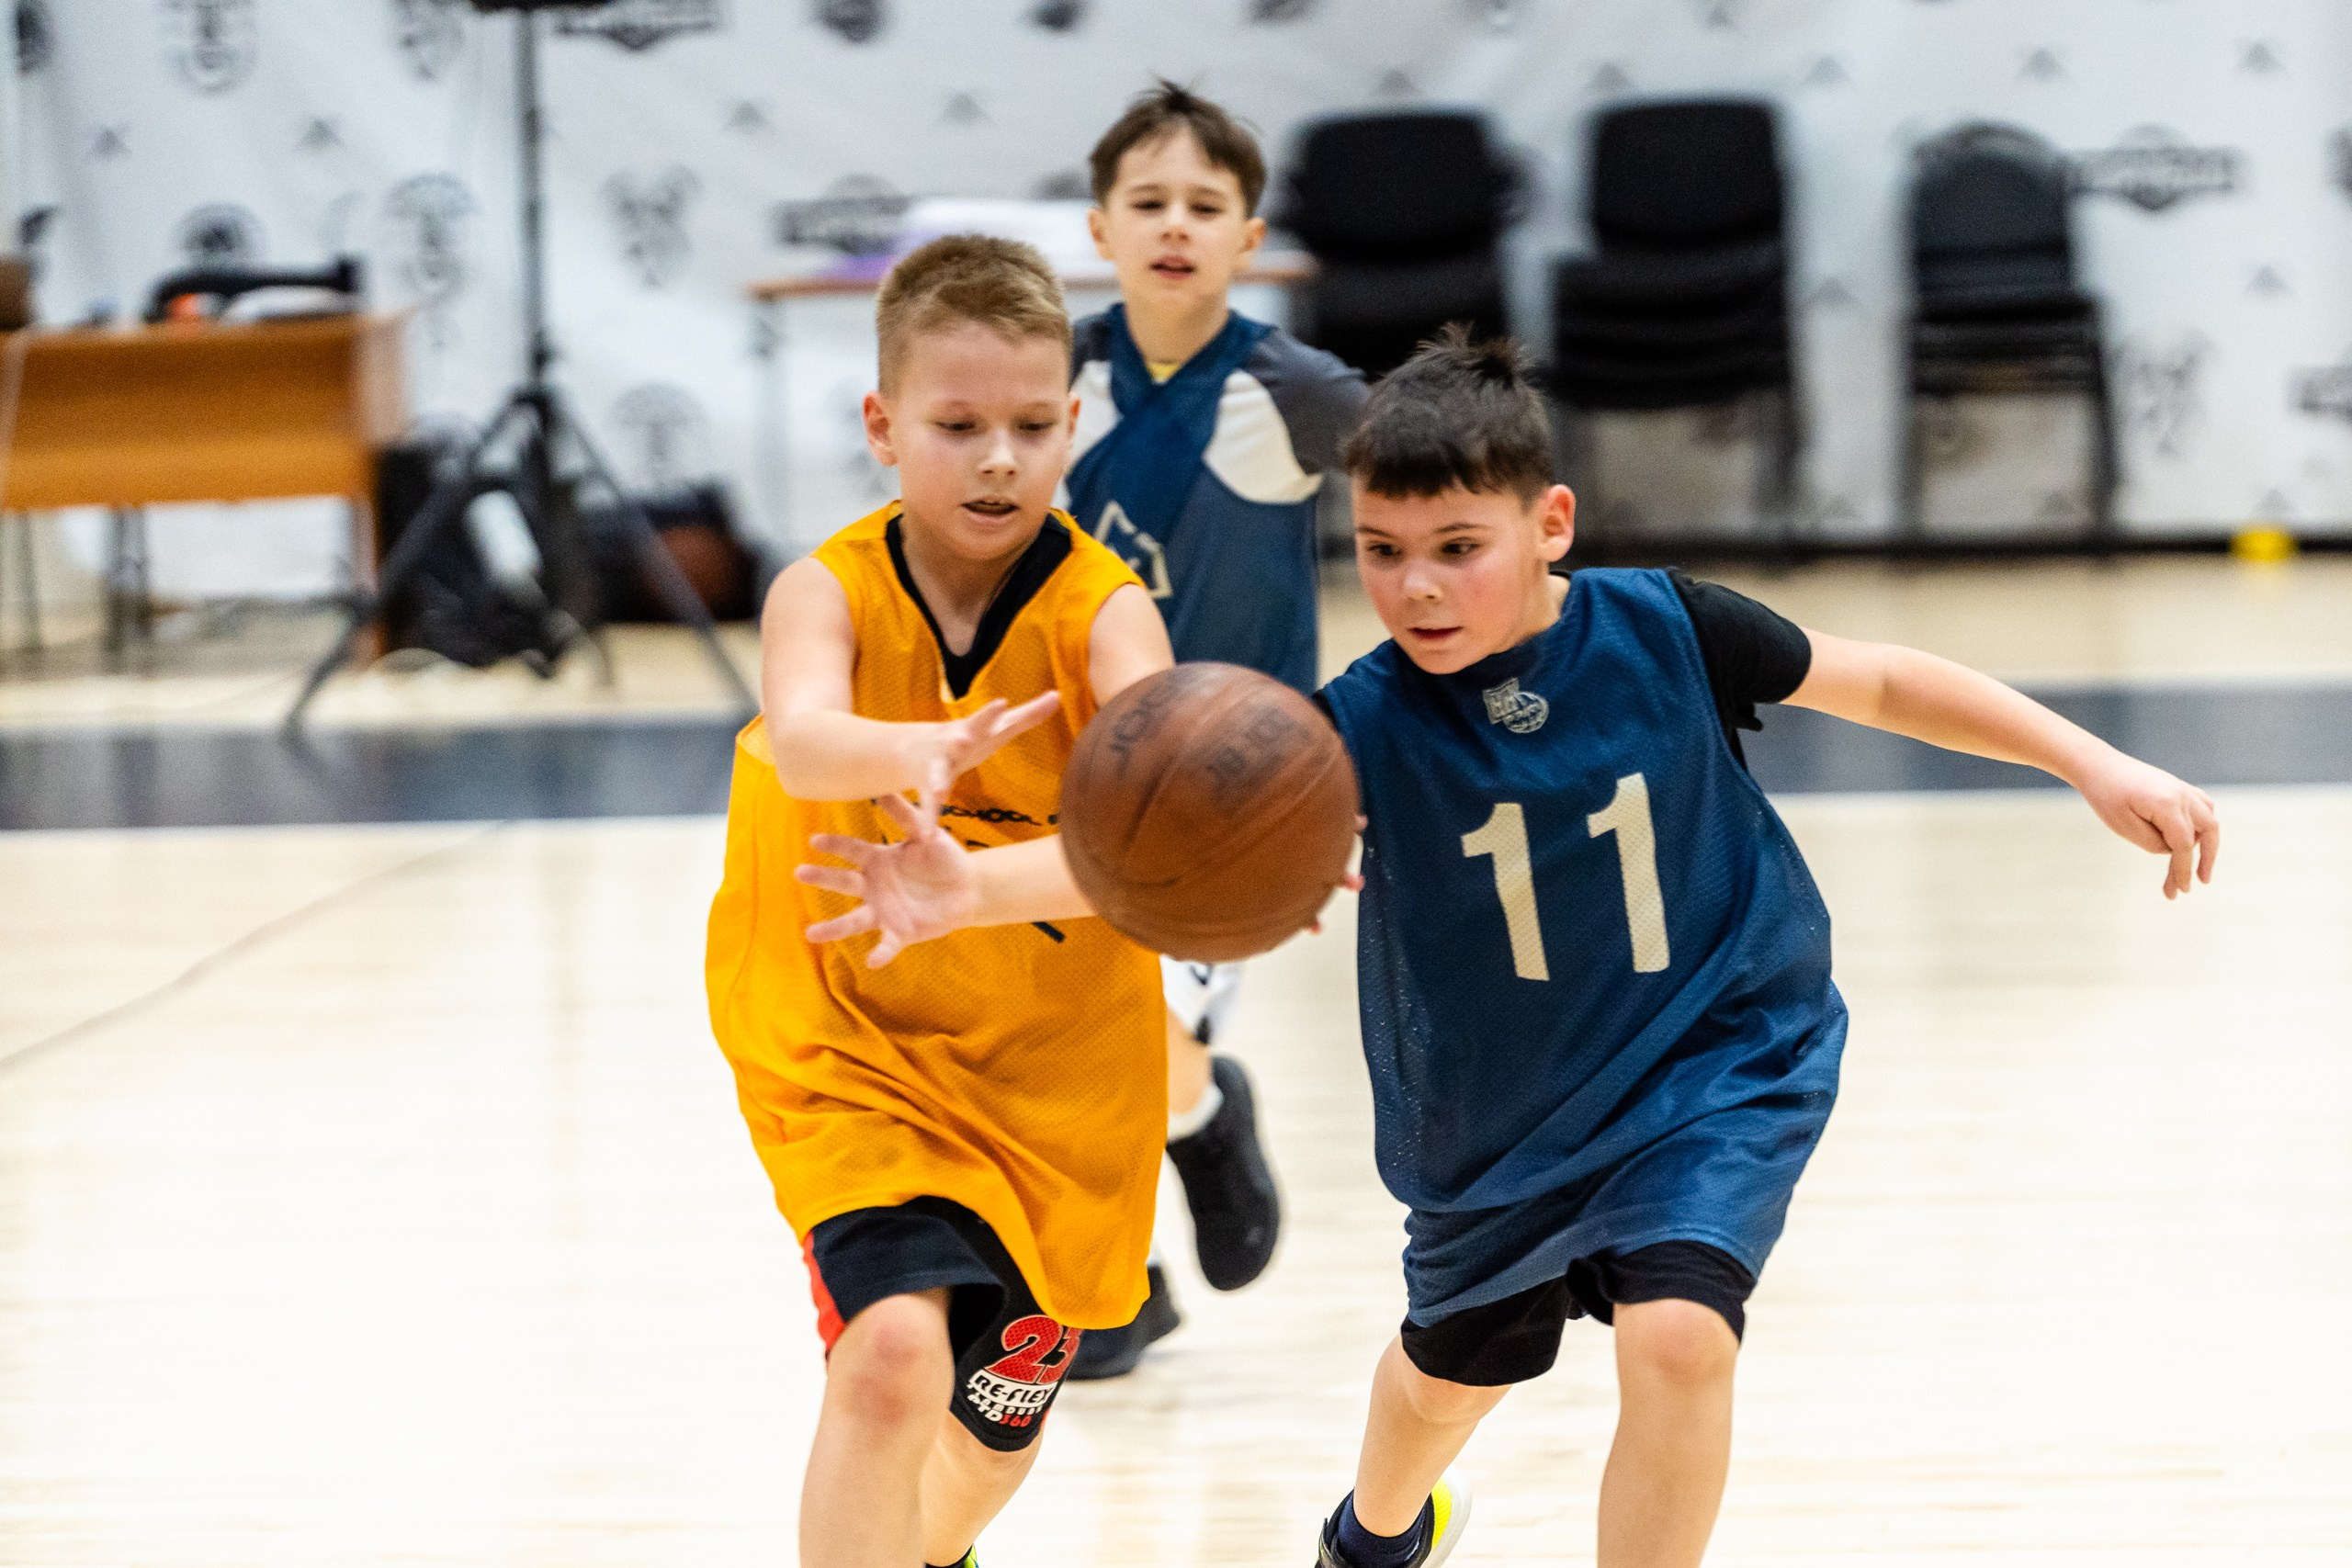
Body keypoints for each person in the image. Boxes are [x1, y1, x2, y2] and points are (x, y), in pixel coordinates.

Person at [793, 328, 2223, 1568]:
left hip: (1719, 1054)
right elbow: (1150, 863)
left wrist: (2092, 763)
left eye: (1456, 550)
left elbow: (1890, 676)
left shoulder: (1670, 629)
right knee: (1437, 1387)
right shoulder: (1343, 726)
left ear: (1549, 524)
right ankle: (1379, 1530)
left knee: (1679, 1336)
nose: (1417, 588)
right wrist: (960, 892)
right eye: (1382, 554)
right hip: (1498, 1120)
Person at [704, 234, 1173, 1568]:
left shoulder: (1105, 617)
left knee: (1000, 1412)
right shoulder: (827, 588)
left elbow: (1155, 823)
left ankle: (932, 1552)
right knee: (894, 1360)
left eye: (1032, 426)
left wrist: (1240, 834)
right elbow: (800, 735)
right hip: (852, 1043)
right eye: (957, 424)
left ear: (1074, 423)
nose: (996, 459)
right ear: (882, 423)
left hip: (1060, 1079)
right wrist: (911, 750)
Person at [1064, 80, 1370, 1374]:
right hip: (1073, 761)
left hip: (1245, 781)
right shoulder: (1054, 375)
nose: (1175, 225)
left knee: (1132, 1006)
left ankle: (1172, 1170)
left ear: (1251, 239)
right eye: (1149, 201)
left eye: (1207, 204)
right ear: (1099, 226)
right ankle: (1140, 1238)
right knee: (1073, 1013)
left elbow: (1442, 493)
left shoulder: (1299, 389)